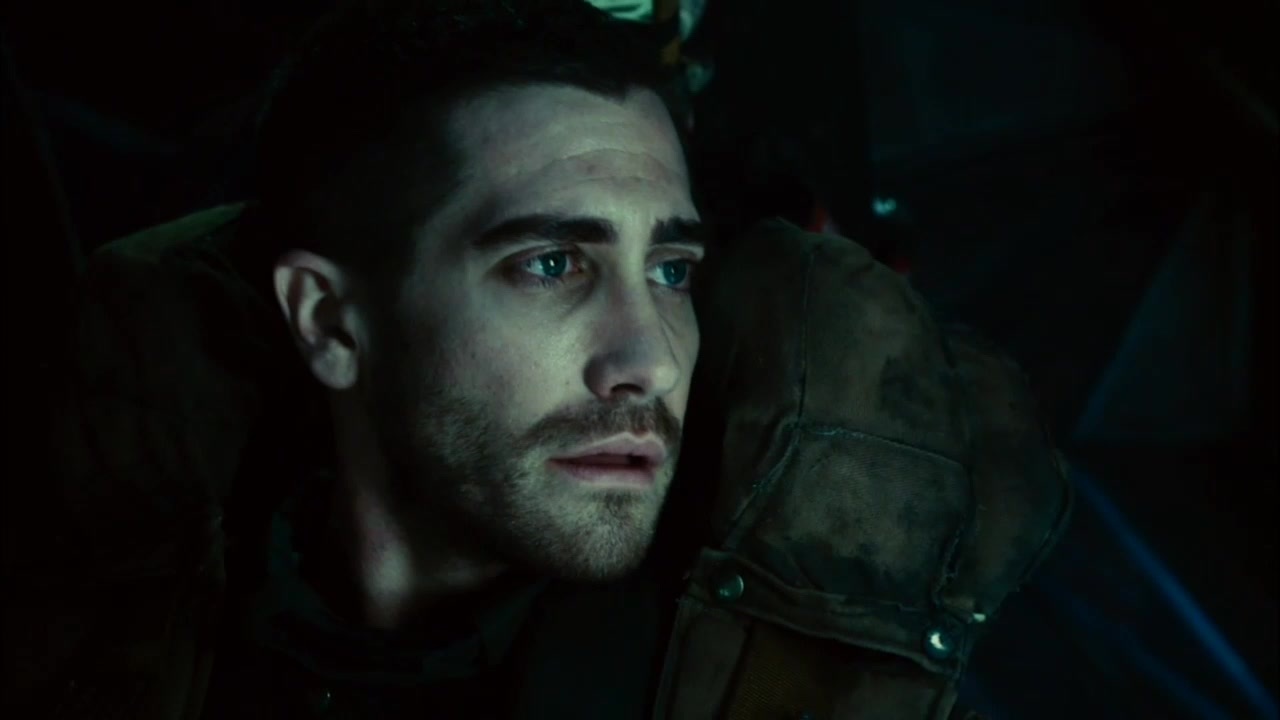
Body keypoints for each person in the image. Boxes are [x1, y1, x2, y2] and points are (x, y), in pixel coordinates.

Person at [4, 0, 1071, 717]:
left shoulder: (750, 677)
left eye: (670, 271)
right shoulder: (110, 611)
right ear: (330, 324)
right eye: (552, 263)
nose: (648, 363)